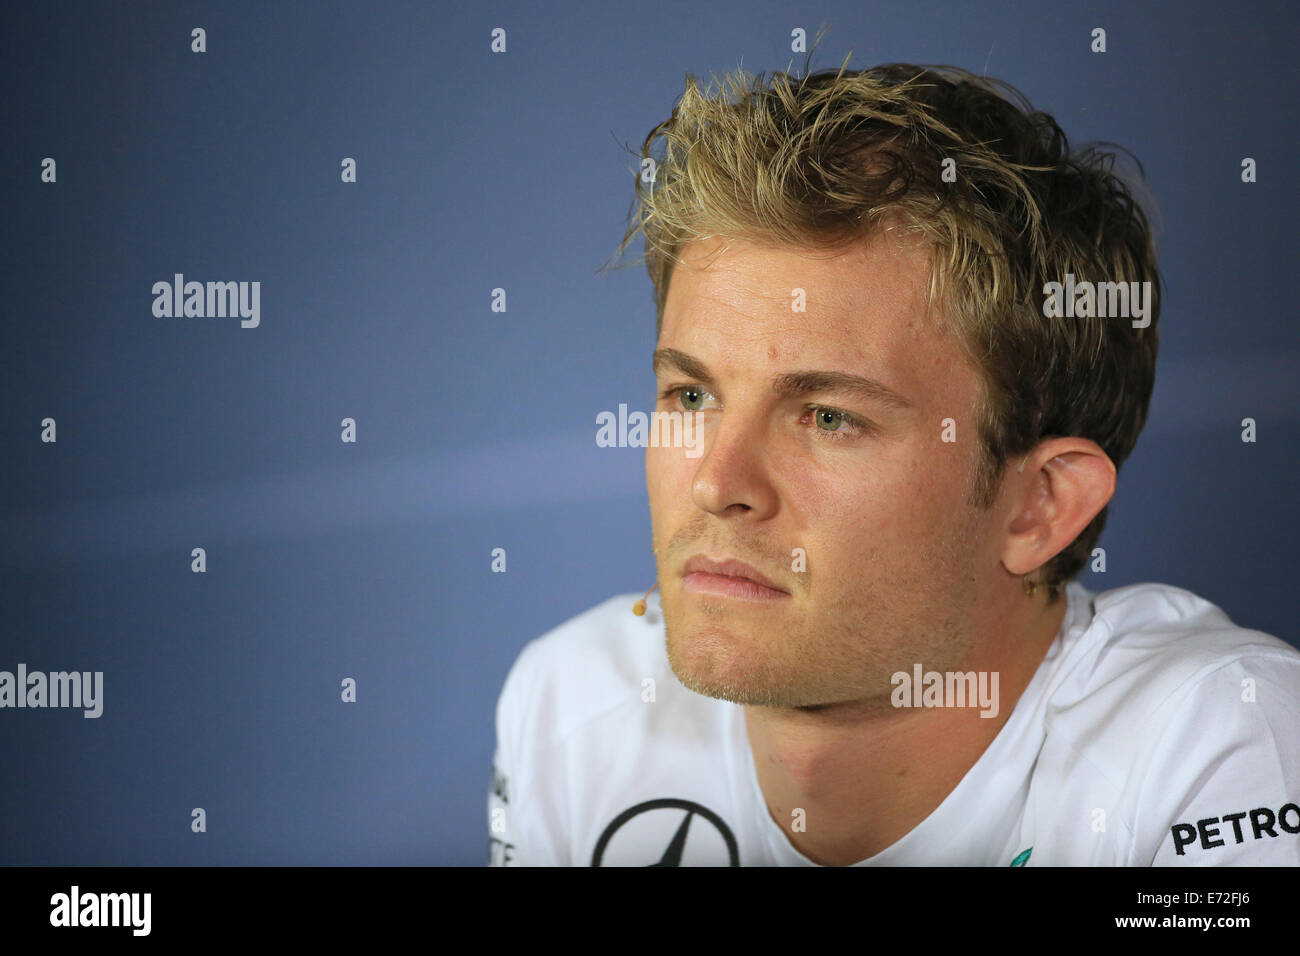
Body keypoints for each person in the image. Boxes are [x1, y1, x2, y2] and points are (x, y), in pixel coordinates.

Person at [487, 61, 1300, 866]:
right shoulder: (571, 708)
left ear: (1040, 506)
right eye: (693, 398)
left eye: (830, 417)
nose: (715, 483)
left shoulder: (1220, 744)